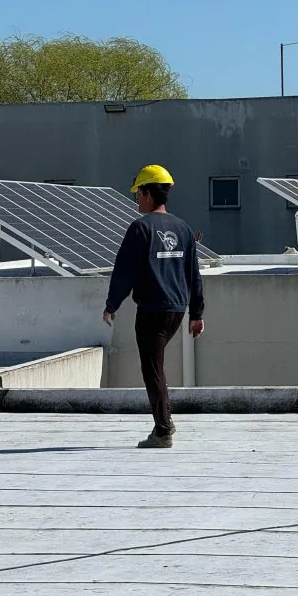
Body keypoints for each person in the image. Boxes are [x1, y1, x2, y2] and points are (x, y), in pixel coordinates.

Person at [103, 165, 205, 449]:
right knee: (156, 366)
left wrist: (111, 304)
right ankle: (164, 422)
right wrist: (196, 314)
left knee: (153, 369)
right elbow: (193, 274)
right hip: (176, 310)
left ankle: (163, 430)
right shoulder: (183, 228)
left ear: (148, 193)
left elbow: (125, 271)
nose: (137, 199)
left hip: (151, 311)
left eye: (138, 193)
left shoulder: (140, 228)